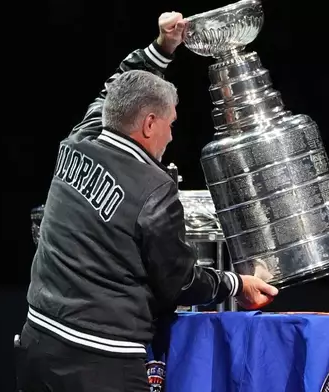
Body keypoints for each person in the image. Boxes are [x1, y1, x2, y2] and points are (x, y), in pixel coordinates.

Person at [15, 11, 279, 392]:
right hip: (99, 365)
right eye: (170, 124)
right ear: (150, 124)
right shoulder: (155, 189)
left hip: (37, 345)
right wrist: (237, 284)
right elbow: (181, 283)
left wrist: (163, 47)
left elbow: (114, 90)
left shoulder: (77, 142)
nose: (171, 137)